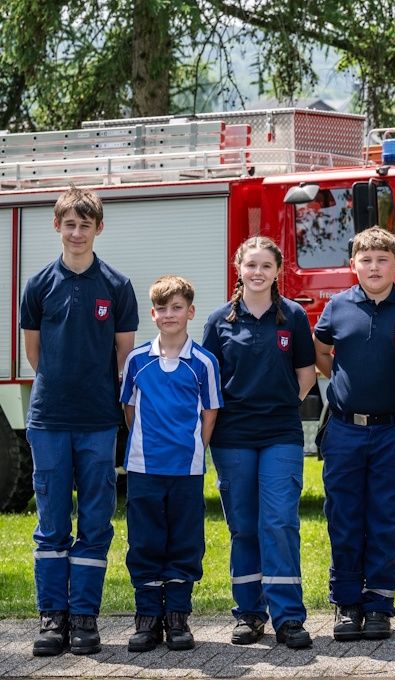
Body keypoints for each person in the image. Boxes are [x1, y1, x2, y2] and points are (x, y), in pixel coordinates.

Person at [22, 186, 139, 657]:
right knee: (51, 524)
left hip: (97, 421)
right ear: (57, 227)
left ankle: (85, 616)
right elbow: (35, 353)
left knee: (95, 521)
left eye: (84, 225)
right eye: (69, 224)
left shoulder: (116, 285)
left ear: (98, 229)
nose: (76, 232)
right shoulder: (38, 285)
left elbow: (125, 355)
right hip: (49, 419)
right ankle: (53, 616)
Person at [313, 227, 395, 642]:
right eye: (366, 260)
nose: (374, 267)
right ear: (353, 265)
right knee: (343, 518)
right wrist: (341, 382)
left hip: (394, 433)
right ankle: (346, 604)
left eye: (382, 259)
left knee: (388, 518)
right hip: (345, 429)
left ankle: (379, 604)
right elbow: (322, 352)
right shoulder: (337, 307)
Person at [201, 236, 317, 649]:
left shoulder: (294, 317)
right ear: (238, 267)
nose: (258, 272)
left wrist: (285, 404)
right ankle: (250, 614)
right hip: (233, 438)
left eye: (266, 265)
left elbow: (307, 373)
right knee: (244, 527)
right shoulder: (218, 321)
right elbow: (208, 382)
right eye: (251, 264)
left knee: (280, 522)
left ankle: (289, 617)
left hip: (280, 435)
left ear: (277, 271)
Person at [120, 276, 222, 653]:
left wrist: (193, 450)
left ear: (190, 312)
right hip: (144, 469)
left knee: (184, 541)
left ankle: (178, 616)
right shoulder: (137, 360)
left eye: (177, 307)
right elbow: (129, 410)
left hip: (186, 470)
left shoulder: (204, 363)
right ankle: (147, 618)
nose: (169, 314)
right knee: (145, 541)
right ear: (153, 313)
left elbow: (210, 414)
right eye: (162, 308)